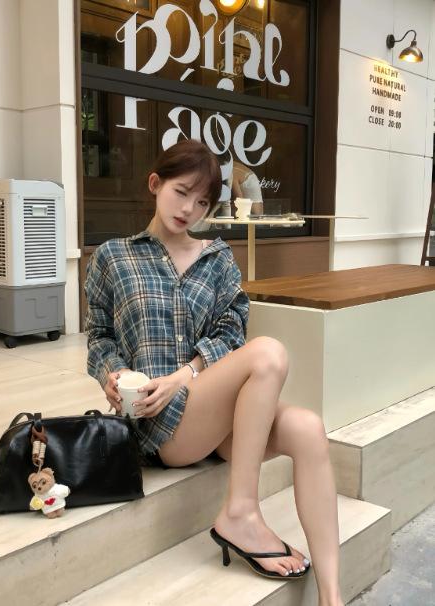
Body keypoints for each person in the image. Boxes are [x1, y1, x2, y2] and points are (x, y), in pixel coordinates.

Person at [85, 139, 344, 606]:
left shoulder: (218, 257)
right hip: (159, 423)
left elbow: (230, 332)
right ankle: (241, 512)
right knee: (268, 354)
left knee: (308, 428)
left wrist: (186, 374)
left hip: (210, 414)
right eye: (181, 192)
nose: (189, 209)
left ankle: (331, 595)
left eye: (203, 202)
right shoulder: (113, 256)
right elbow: (99, 336)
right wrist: (112, 373)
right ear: (155, 183)